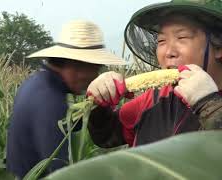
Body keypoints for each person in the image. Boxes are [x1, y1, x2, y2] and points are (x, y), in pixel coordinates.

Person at [86, 0, 222, 148]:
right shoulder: (155, 99)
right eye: (161, 41)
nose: (169, 52)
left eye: (182, 38)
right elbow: (107, 135)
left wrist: (209, 105)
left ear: (219, 47)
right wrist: (99, 105)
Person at [6, 20, 126, 179]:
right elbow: (60, 170)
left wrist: (98, 106)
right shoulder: (50, 100)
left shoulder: (37, 83)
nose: (94, 77)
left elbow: (67, 125)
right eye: (94, 69)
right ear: (77, 66)